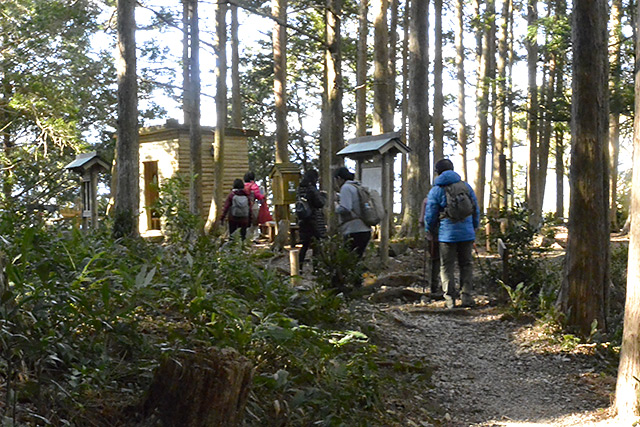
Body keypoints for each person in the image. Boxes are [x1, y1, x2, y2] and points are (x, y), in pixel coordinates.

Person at [424, 158, 480, 309]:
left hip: (447, 235)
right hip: (467, 233)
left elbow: (430, 213)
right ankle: (467, 297)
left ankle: (450, 300)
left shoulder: (436, 190)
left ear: (438, 172)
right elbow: (475, 208)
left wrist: (429, 229)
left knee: (446, 266)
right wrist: (475, 226)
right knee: (466, 265)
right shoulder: (465, 186)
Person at [333, 166, 372, 258]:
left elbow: (346, 208)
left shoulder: (346, 188)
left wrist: (336, 206)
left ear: (339, 178)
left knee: (349, 261)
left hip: (353, 230)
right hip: (365, 228)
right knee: (357, 259)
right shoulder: (357, 186)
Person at [296, 169, 327, 271]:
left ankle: (298, 267)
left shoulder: (300, 189)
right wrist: (323, 196)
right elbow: (319, 203)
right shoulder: (312, 189)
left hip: (303, 220)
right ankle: (316, 268)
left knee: (304, 245)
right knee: (316, 245)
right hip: (314, 219)